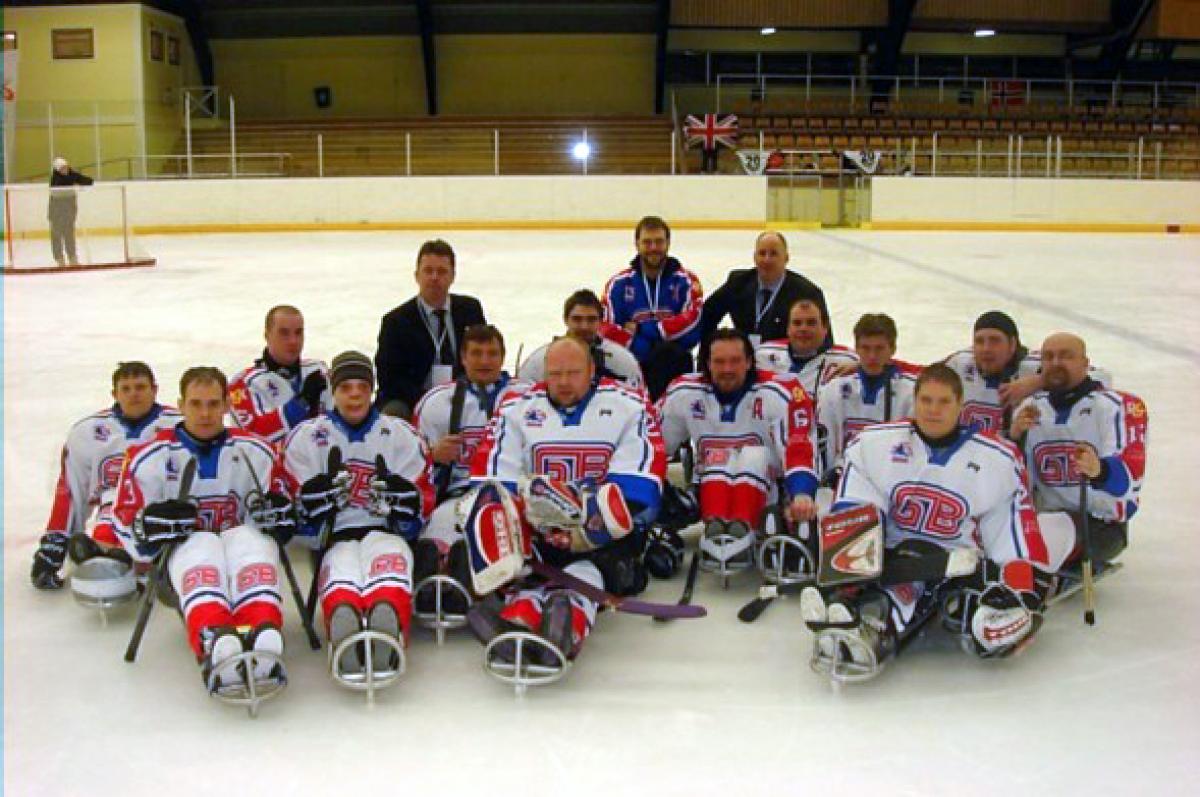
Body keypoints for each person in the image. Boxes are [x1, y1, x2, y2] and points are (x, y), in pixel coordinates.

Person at [799, 364, 1053, 684]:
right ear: (914, 401)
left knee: (972, 620)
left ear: (961, 404)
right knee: (882, 566)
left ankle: (866, 624)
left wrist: (1023, 591)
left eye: (944, 402)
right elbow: (854, 506)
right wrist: (849, 569)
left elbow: (1013, 534)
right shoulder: (874, 443)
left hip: (952, 564)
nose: (933, 410)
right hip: (888, 554)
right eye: (926, 400)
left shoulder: (997, 459)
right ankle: (852, 607)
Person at [465, 337, 665, 669]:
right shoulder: (516, 408)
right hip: (538, 532)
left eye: (573, 372)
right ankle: (518, 619)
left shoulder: (629, 405)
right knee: (525, 569)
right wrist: (529, 525)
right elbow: (493, 480)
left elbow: (637, 486)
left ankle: (566, 621)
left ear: (591, 370)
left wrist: (585, 530)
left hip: (603, 535)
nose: (563, 381)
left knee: (591, 571)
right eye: (555, 373)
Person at [111, 367, 284, 696]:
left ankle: (263, 630)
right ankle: (214, 639)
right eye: (195, 404)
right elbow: (123, 519)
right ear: (180, 405)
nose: (205, 414)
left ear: (225, 406)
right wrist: (146, 528)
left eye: (213, 404)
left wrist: (279, 515)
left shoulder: (256, 451)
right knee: (200, 543)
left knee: (249, 538)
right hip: (179, 570)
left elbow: (281, 508)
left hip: (241, 558)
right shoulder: (148, 456)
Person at [275, 351, 434, 677]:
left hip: (384, 532)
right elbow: (290, 507)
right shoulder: (305, 437)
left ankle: (387, 625)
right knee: (342, 574)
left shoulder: (402, 435)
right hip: (334, 538)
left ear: (373, 389)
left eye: (362, 385)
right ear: (333, 391)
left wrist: (406, 505)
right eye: (346, 386)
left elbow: (422, 505)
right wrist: (312, 505)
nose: (355, 394)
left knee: (389, 566)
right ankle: (343, 623)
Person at [657, 328, 818, 576]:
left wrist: (802, 493)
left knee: (755, 455)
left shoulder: (780, 392)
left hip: (769, 494)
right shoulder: (684, 392)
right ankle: (717, 528)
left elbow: (798, 446)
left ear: (750, 362)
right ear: (707, 363)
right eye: (719, 362)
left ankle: (745, 527)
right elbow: (653, 446)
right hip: (705, 492)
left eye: (735, 361)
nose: (727, 369)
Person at [30, 361, 181, 591]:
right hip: (112, 508)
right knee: (107, 526)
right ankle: (111, 556)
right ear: (114, 393)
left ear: (154, 389)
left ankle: (127, 560)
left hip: (163, 511)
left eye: (140, 387)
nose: (134, 394)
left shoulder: (179, 425)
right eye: (126, 389)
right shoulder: (88, 432)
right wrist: (56, 540)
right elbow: (72, 489)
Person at [412, 325, 528, 613]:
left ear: (503, 357)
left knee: (494, 533)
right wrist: (433, 455)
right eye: (476, 353)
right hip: (457, 496)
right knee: (437, 530)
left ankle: (471, 579)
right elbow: (409, 460)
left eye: (492, 354)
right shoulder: (437, 402)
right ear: (463, 358)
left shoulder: (528, 399)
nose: (484, 361)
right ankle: (433, 583)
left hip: (510, 498)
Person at [1010, 333, 1147, 569]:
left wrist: (1100, 471)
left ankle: (1022, 583)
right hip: (1048, 517)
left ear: (1085, 363)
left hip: (1100, 525)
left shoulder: (1115, 406)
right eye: (1049, 357)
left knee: (1046, 528)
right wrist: (1013, 438)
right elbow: (1014, 484)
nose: (1055, 363)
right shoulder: (1030, 409)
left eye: (1066, 356)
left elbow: (1130, 483)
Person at [375, 240, 487, 419]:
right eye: (428, 271)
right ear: (416, 275)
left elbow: (483, 355)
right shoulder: (396, 321)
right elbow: (389, 379)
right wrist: (430, 402)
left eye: (442, 271)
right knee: (394, 412)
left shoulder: (470, 309)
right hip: (413, 400)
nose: (435, 277)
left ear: (452, 276)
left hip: (463, 395)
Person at [599, 216, 703, 400]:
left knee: (670, 354)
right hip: (631, 365)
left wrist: (642, 329)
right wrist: (642, 347)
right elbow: (607, 328)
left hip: (674, 367)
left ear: (668, 243)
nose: (653, 247)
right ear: (637, 244)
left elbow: (692, 328)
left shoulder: (687, 281)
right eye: (647, 242)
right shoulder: (618, 284)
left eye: (659, 241)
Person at [816, 313, 919, 484]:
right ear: (855, 348)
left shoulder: (911, 392)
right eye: (865, 348)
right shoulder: (833, 390)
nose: (872, 356)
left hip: (891, 479)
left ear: (892, 349)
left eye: (879, 348)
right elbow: (826, 444)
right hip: (843, 478)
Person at [699, 230, 831, 351]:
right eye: (762, 253)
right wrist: (708, 355)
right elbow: (707, 315)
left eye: (773, 254)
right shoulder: (738, 283)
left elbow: (825, 339)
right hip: (743, 365)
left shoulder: (806, 292)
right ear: (754, 257)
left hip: (785, 366)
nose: (767, 260)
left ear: (786, 258)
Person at [228, 305, 331, 445]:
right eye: (284, 333)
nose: (293, 341)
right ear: (267, 335)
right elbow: (253, 436)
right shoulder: (243, 384)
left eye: (298, 332)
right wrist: (301, 403)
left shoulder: (318, 370)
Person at [518, 289, 644, 391]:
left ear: (601, 321)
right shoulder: (538, 361)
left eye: (591, 319)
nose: (584, 326)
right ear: (566, 320)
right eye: (577, 319)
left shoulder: (622, 360)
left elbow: (641, 402)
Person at [755, 298, 857, 398]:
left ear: (825, 328)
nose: (803, 329)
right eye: (797, 323)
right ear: (788, 328)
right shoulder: (762, 354)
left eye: (811, 323)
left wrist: (860, 367)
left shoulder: (847, 360)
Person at [49, 156, 94, 267]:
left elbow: (88, 181)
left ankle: (72, 258)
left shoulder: (71, 174)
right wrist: (74, 180)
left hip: (69, 211)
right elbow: (63, 182)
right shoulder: (56, 179)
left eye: (66, 167)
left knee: (69, 234)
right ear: (57, 170)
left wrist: (78, 179)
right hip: (56, 211)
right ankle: (59, 259)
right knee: (56, 235)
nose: (65, 170)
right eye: (62, 168)